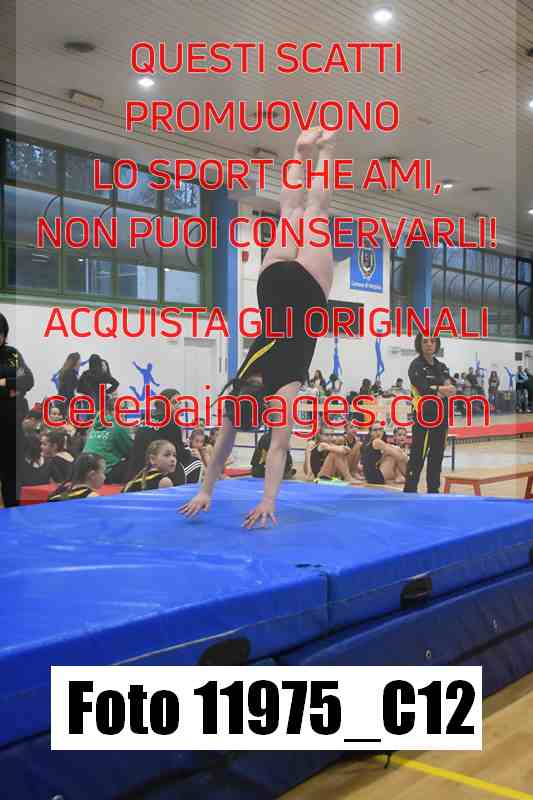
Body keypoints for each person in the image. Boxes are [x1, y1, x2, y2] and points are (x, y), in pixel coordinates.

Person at [180, 127, 337, 528]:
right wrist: (206, 490)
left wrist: (264, 499)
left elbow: (278, 448)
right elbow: (227, 447)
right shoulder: (243, 381)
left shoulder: (284, 387)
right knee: (292, 211)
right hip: (272, 284)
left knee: (315, 211)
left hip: (306, 293)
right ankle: (301, 152)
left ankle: (324, 150)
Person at [403, 335, 454, 494]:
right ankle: (410, 490)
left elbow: (451, 388)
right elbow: (424, 389)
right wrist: (439, 389)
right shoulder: (416, 366)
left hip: (441, 419)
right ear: (419, 344)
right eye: (425, 341)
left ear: (437, 344)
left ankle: (433, 491)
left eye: (432, 341)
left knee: (436, 457)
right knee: (417, 456)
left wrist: (437, 389)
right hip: (424, 420)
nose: (429, 344)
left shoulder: (442, 366)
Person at [126, 389, 202, 485]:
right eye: (174, 402)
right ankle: (184, 491)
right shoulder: (171, 423)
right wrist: (190, 452)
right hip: (155, 476)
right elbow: (180, 454)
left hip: (135, 475)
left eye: (180, 403)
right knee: (196, 462)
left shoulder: (145, 418)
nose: (178, 407)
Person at [0, 312, 34, 507]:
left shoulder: (12, 354)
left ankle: (11, 516)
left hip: (12, 426)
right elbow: (21, 384)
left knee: (12, 479)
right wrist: (13, 388)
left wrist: (5, 382)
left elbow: (28, 380)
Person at [83, 395, 133, 483]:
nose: (123, 413)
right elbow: (131, 450)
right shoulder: (118, 426)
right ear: (110, 411)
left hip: (86, 470)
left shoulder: (94, 425)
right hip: (105, 473)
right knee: (136, 460)